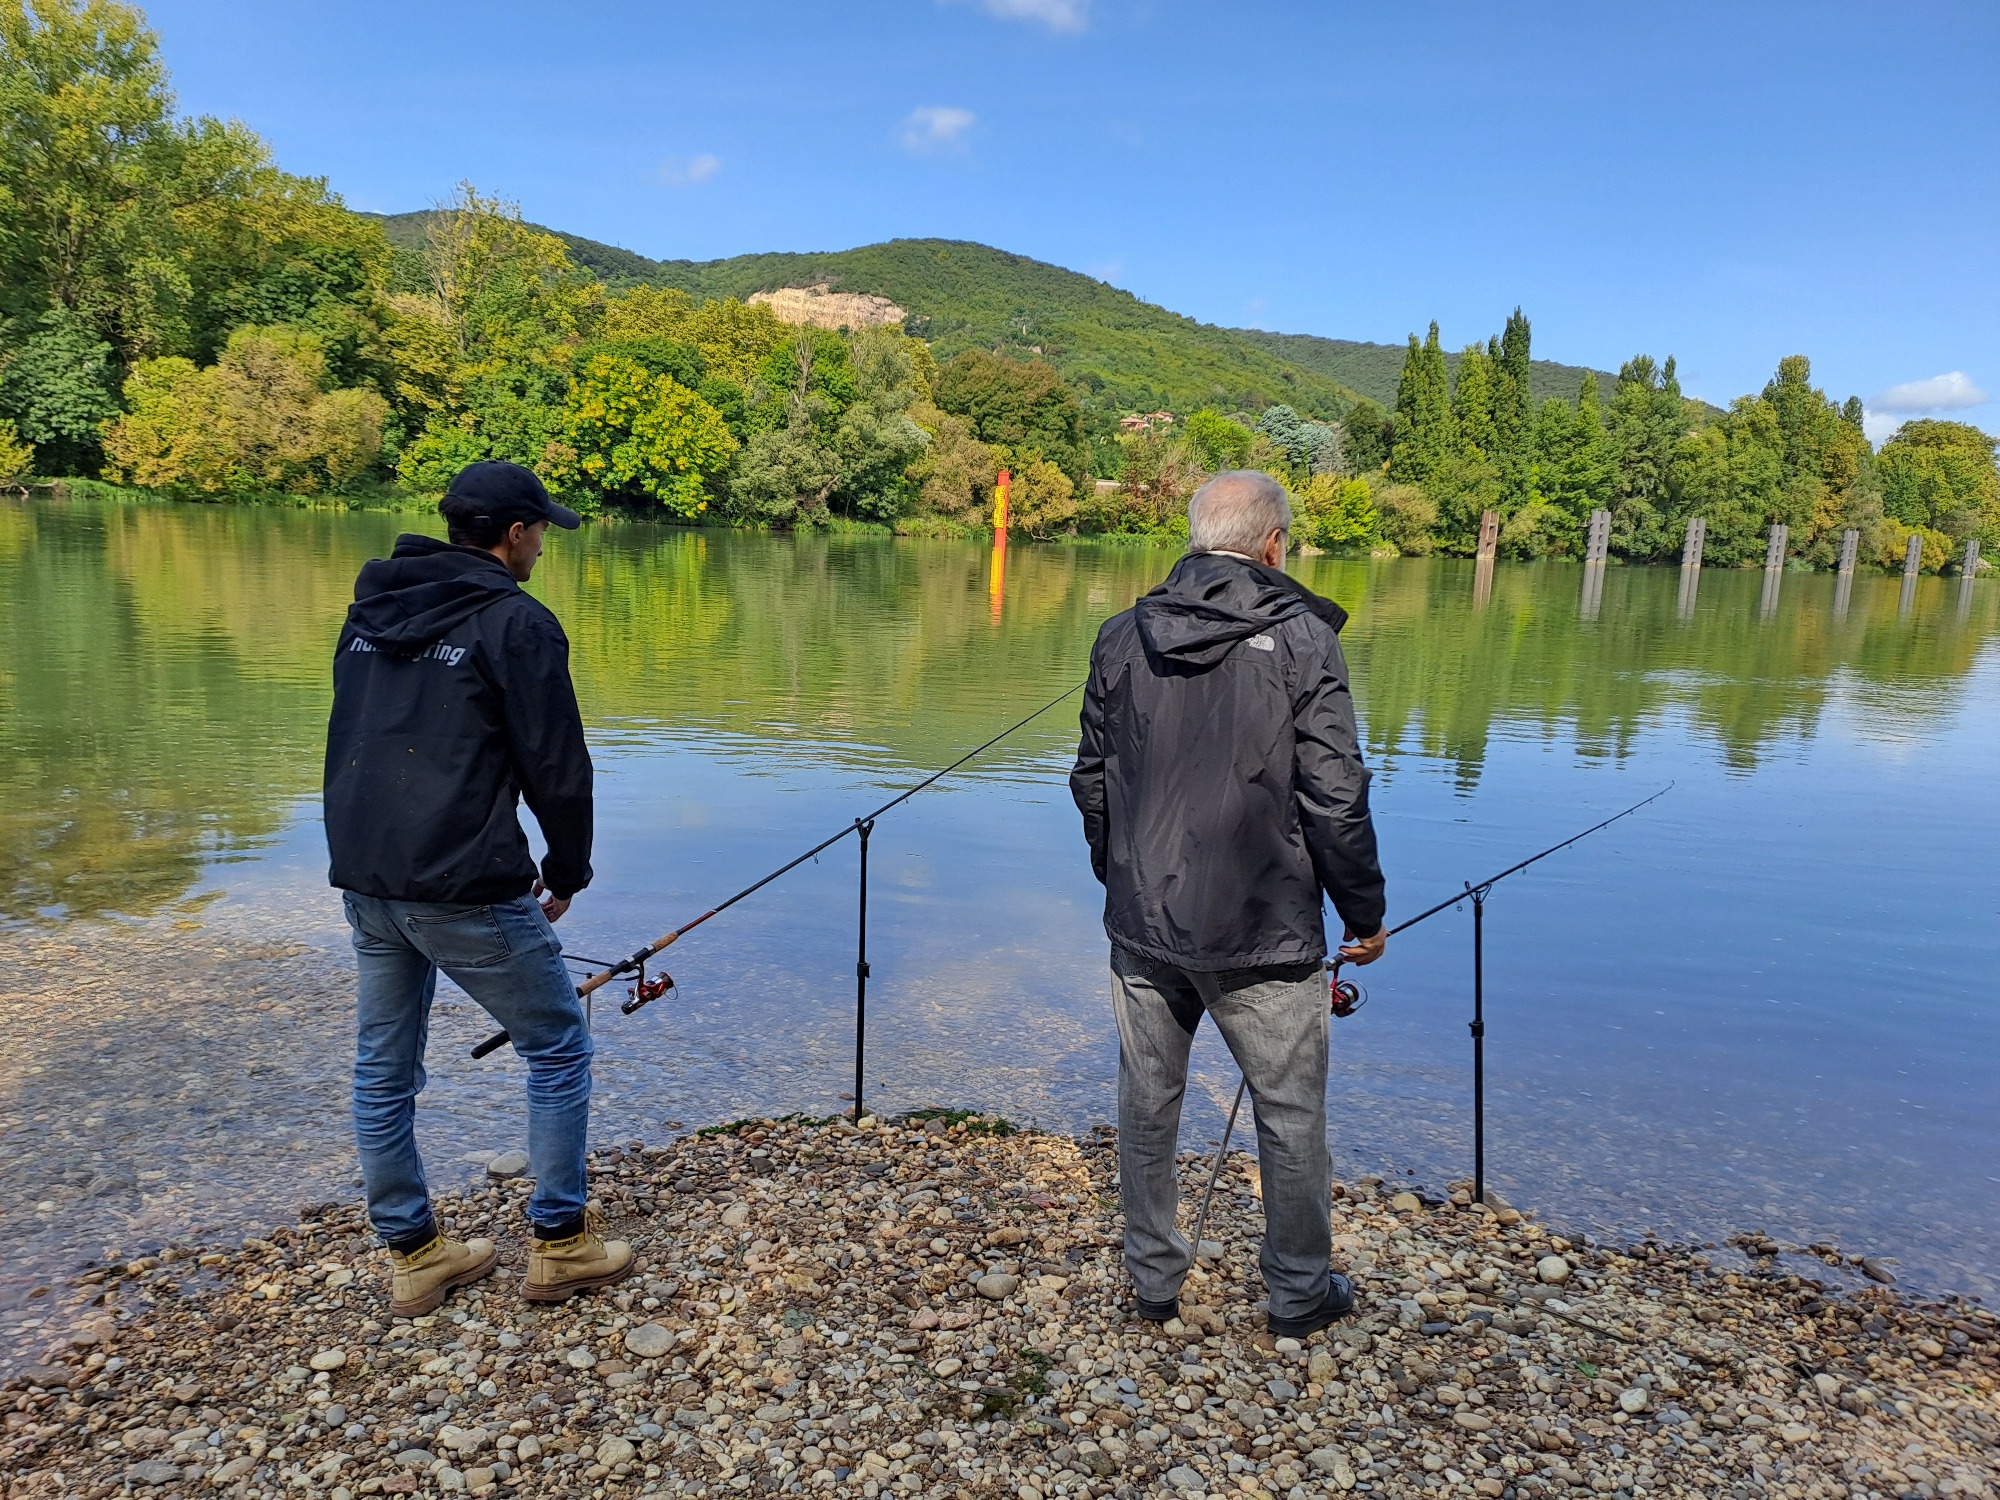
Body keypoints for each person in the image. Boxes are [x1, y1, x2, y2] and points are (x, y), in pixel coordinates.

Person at [1070, 469, 1387, 1339]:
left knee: (1148, 1103)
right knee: (1290, 1116)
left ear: (1197, 537)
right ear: (1274, 543)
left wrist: (1122, 877)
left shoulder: (1120, 635)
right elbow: (1336, 796)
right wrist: (1364, 915)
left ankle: (1154, 1282)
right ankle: (1298, 1294)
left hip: (1144, 921)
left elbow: (1092, 780)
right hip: (1266, 930)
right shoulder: (1304, 641)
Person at [323, 460, 636, 1316]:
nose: (542, 547)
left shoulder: (369, 612)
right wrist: (566, 871)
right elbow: (558, 768)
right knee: (558, 1045)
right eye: (540, 533)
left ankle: (416, 1254)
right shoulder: (515, 621)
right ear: (513, 534)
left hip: (368, 876)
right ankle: (562, 1245)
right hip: (463, 880)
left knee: (383, 1070)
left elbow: (362, 736)